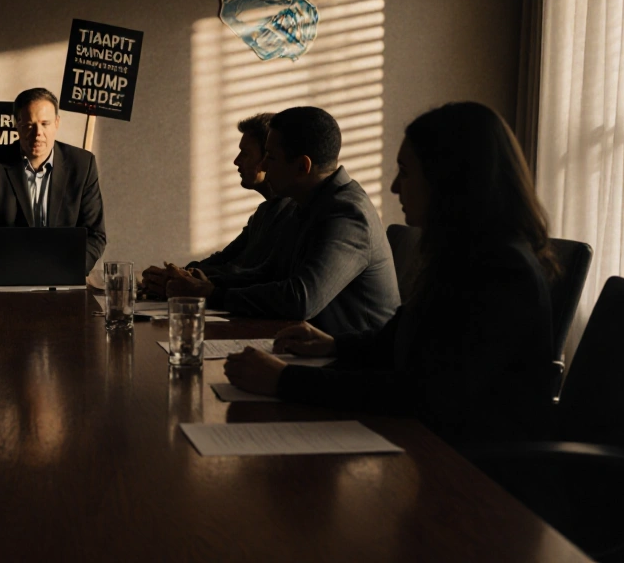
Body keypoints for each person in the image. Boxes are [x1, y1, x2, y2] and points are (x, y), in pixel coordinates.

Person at [225, 102, 558, 445]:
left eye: (405, 171)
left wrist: (284, 380)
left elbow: (419, 393)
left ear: (450, 178)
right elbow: (402, 337)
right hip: (430, 447)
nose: (395, 187)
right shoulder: (463, 254)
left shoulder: (502, 270)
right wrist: (333, 344)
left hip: (475, 475)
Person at [167, 106, 399, 336]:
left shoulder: (348, 214)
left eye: (271, 157)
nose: (264, 167)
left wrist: (211, 294)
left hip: (355, 361)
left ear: (302, 167)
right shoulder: (305, 204)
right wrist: (203, 284)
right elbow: (267, 274)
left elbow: (301, 299)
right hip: (307, 345)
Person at [142, 112, 296, 296]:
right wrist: (180, 273)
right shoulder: (264, 212)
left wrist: (185, 279)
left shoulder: (290, 213)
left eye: (245, 154)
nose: (236, 161)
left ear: (268, 158)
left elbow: (245, 271)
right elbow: (225, 259)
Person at [0, 87, 106, 273]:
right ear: (17, 125)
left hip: (65, 276)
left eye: (45, 123)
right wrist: (13, 271)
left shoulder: (83, 164)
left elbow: (95, 234)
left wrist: (68, 270)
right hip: (8, 278)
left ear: (57, 123)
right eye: (29, 125)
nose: (37, 133)